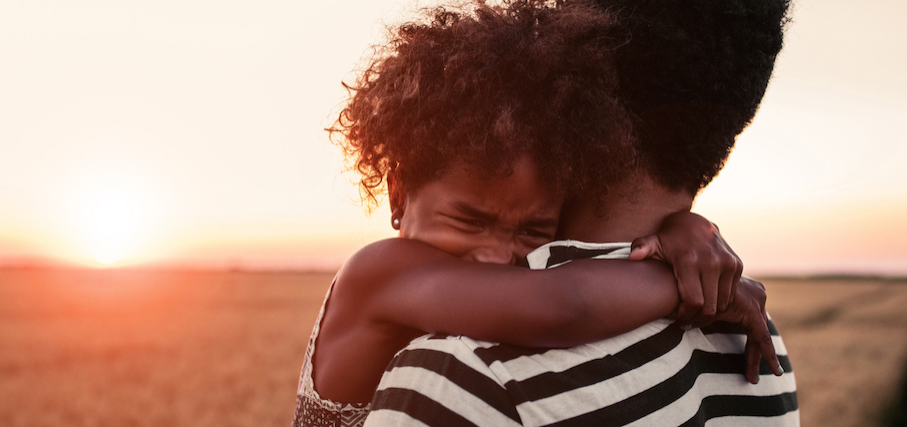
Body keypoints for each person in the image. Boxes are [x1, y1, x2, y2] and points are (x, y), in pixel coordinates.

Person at [291, 2, 781, 426]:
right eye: (470, 221)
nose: (500, 256)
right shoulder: (376, 274)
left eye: (533, 230)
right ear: (397, 195)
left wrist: (684, 229)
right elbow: (565, 307)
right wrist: (692, 283)